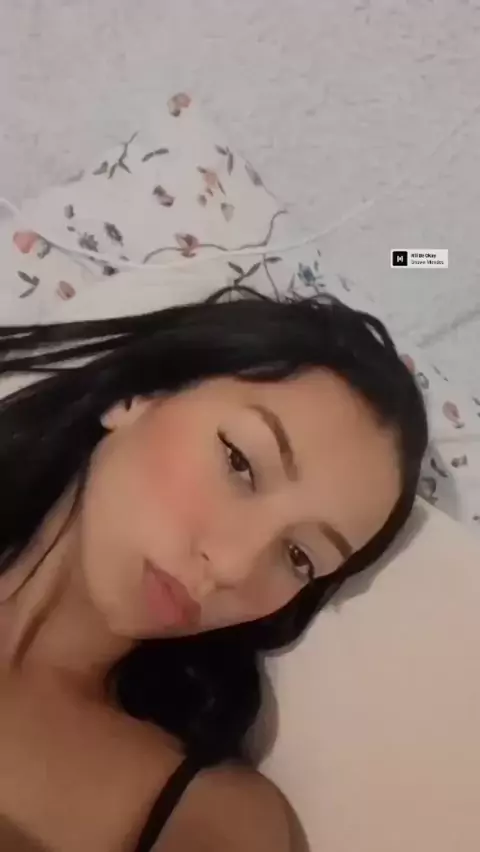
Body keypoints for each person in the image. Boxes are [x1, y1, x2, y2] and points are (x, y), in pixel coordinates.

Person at [0, 285, 427, 851]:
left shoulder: (212, 819)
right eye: (241, 463)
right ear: (138, 395)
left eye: (299, 557)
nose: (232, 565)